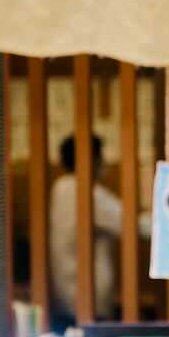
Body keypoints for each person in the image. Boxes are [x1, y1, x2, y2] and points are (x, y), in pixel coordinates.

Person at [47, 134, 126, 322]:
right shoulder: (86, 192)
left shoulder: (60, 187)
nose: (104, 162)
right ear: (92, 159)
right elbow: (130, 223)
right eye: (101, 156)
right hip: (88, 295)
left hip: (63, 293)